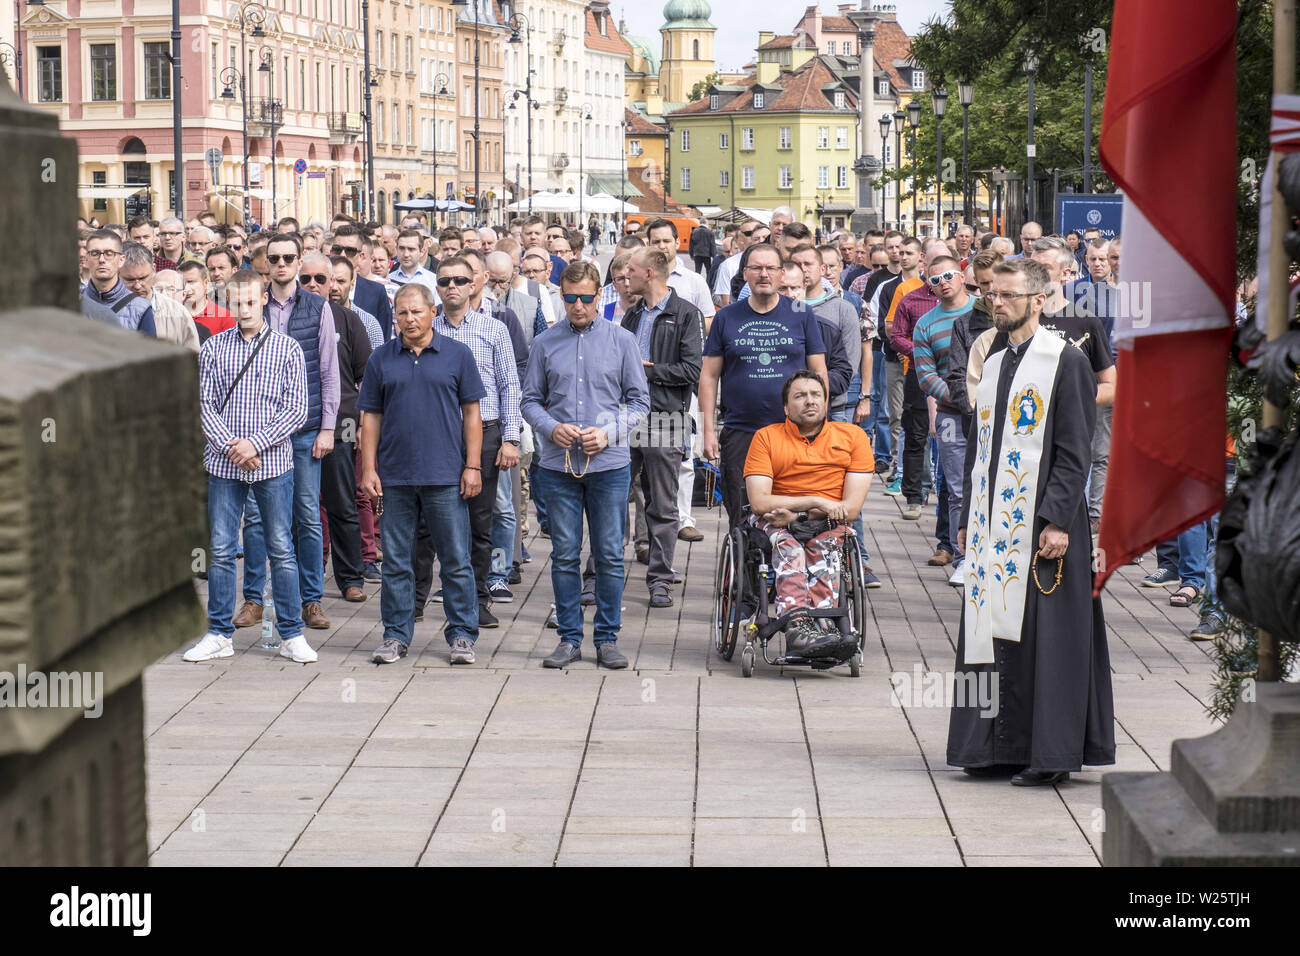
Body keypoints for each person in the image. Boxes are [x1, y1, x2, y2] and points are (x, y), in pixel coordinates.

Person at [948, 258, 1114, 786]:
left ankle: (1051, 752)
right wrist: (968, 513)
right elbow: (980, 447)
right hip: (992, 525)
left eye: (1009, 295)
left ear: (1039, 301)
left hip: (1044, 525)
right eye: (992, 293)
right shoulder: (995, 360)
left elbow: (1075, 449)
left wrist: (1058, 519)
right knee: (992, 631)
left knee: (1049, 641)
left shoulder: (1065, 362)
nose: (997, 302)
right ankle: (995, 747)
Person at [521, 260, 650, 668]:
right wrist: (549, 427)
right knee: (563, 554)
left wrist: (610, 432)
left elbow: (640, 402)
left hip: (608, 464)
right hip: (559, 465)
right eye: (571, 297)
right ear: (563, 296)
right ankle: (569, 637)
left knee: (610, 553)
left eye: (586, 298)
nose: (578, 306)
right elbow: (529, 400)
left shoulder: (622, 340)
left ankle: (607, 638)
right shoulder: (545, 342)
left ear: (599, 296)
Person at [186, 270, 319, 664]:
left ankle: (292, 633)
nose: (243, 309)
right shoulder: (213, 348)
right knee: (223, 548)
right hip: (225, 462)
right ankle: (219, 633)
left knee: (281, 546)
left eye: (249, 301)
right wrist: (233, 447)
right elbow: (203, 404)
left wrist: (255, 443)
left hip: (272, 460)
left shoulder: (287, 348)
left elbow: (296, 408)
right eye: (236, 302)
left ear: (263, 298)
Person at [359, 282, 485, 664]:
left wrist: (473, 465)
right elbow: (370, 418)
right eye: (402, 313)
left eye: (416, 311)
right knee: (397, 560)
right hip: (395, 477)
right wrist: (368, 469)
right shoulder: (381, 359)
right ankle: (396, 635)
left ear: (433, 312)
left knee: (455, 559)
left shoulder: (457, 355)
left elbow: (472, 415)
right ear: (394, 317)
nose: (409, 319)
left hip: (446, 475)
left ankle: (462, 634)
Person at [234, 233, 340, 634]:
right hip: (260, 431)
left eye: (288, 257)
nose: (281, 264)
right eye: (274, 257)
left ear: (299, 262)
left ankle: (310, 600)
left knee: (307, 517)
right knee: (258, 519)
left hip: (304, 429)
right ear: (266, 263)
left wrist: (329, 427)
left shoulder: (317, 306)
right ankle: (254, 601)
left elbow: (329, 371)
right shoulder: (254, 302)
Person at [413, 256, 522, 629]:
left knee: (480, 521)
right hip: (438, 433)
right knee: (426, 521)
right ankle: (415, 599)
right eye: (444, 281)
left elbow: (510, 385)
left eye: (460, 279)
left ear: (475, 283)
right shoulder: (428, 330)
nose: (452, 287)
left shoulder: (493, 329)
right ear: (437, 288)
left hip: (487, 432)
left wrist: (510, 439)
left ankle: (476, 600)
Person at [744, 370, 873, 656]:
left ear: (827, 403)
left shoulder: (853, 437)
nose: (809, 401)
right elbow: (760, 502)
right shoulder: (766, 437)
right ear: (786, 407)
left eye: (816, 395)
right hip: (775, 521)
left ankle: (825, 627)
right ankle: (798, 628)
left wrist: (802, 515)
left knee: (825, 548)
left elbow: (850, 508)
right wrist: (817, 500)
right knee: (790, 549)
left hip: (825, 523)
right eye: (800, 396)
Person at [700, 243, 828, 528]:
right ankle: (744, 571)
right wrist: (708, 431)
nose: (763, 274)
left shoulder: (801, 313)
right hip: (741, 431)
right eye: (756, 268)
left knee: (791, 512)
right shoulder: (726, 317)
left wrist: (822, 422)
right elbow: (709, 376)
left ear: (782, 274)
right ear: (745, 273)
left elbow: (818, 371)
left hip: (794, 432)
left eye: (770, 268)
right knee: (741, 514)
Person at [621, 247, 703, 608]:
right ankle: (597, 574)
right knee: (611, 498)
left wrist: (647, 370)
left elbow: (692, 371)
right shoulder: (632, 314)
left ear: (650, 273)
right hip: (626, 418)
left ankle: (660, 577)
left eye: (632, 270)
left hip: (666, 418)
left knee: (663, 504)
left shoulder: (685, 314)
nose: (626, 275)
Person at [299, 252, 373, 603]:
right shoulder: (287, 318)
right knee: (299, 507)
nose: (313, 285)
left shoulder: (348, 319)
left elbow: (368, 379)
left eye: (320, 279)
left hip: (341, 420)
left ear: (333, 284)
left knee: (342, 501)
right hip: (297, 421)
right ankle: (304, 577)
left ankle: (350, 577)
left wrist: (362, 425)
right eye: (306, 279)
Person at [913, 256, 975, 586]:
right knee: (956, 489)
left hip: (993, 410)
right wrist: (961, 399)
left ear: (962, 276)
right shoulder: (925, 323)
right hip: (952, 415)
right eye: (934, 280)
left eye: (948, 275)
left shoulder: (985, 310)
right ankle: (962, 556)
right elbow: (926, 376)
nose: (943, 282)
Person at [120, 242, 200, 350]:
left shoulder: (177, 312)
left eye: (143, 278)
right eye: (130, 280)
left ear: (154, 269)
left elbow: (192, 359)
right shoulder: (107, 311)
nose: (138, 286)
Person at [80, 229, 157, 336]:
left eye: (109, 253)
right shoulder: (73, 304)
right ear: (86, 259)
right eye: (95, 253)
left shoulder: (141, 309)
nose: (102, 259)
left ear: (121, 260)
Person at [334, 224, 395, 341]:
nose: (342, 255)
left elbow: (383, 340)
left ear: (361, 255)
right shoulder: (319, 287)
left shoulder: (376, 292)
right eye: (337, 249)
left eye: (350, 251)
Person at [180, 261, 235, 336]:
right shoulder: (170, 315)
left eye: (191, 282)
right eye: (181, 283)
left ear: (205, 283)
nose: (186, 288)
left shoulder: (225, 317)